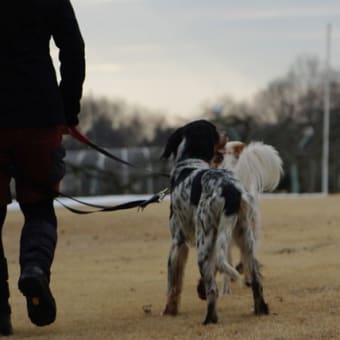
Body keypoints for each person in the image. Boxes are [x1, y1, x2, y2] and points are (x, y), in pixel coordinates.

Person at [0, 0, 85, 335]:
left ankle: (0, 314)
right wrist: (68, 107)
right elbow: (73, 47)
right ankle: (34, 268)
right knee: (39, 206)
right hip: (39, 112)